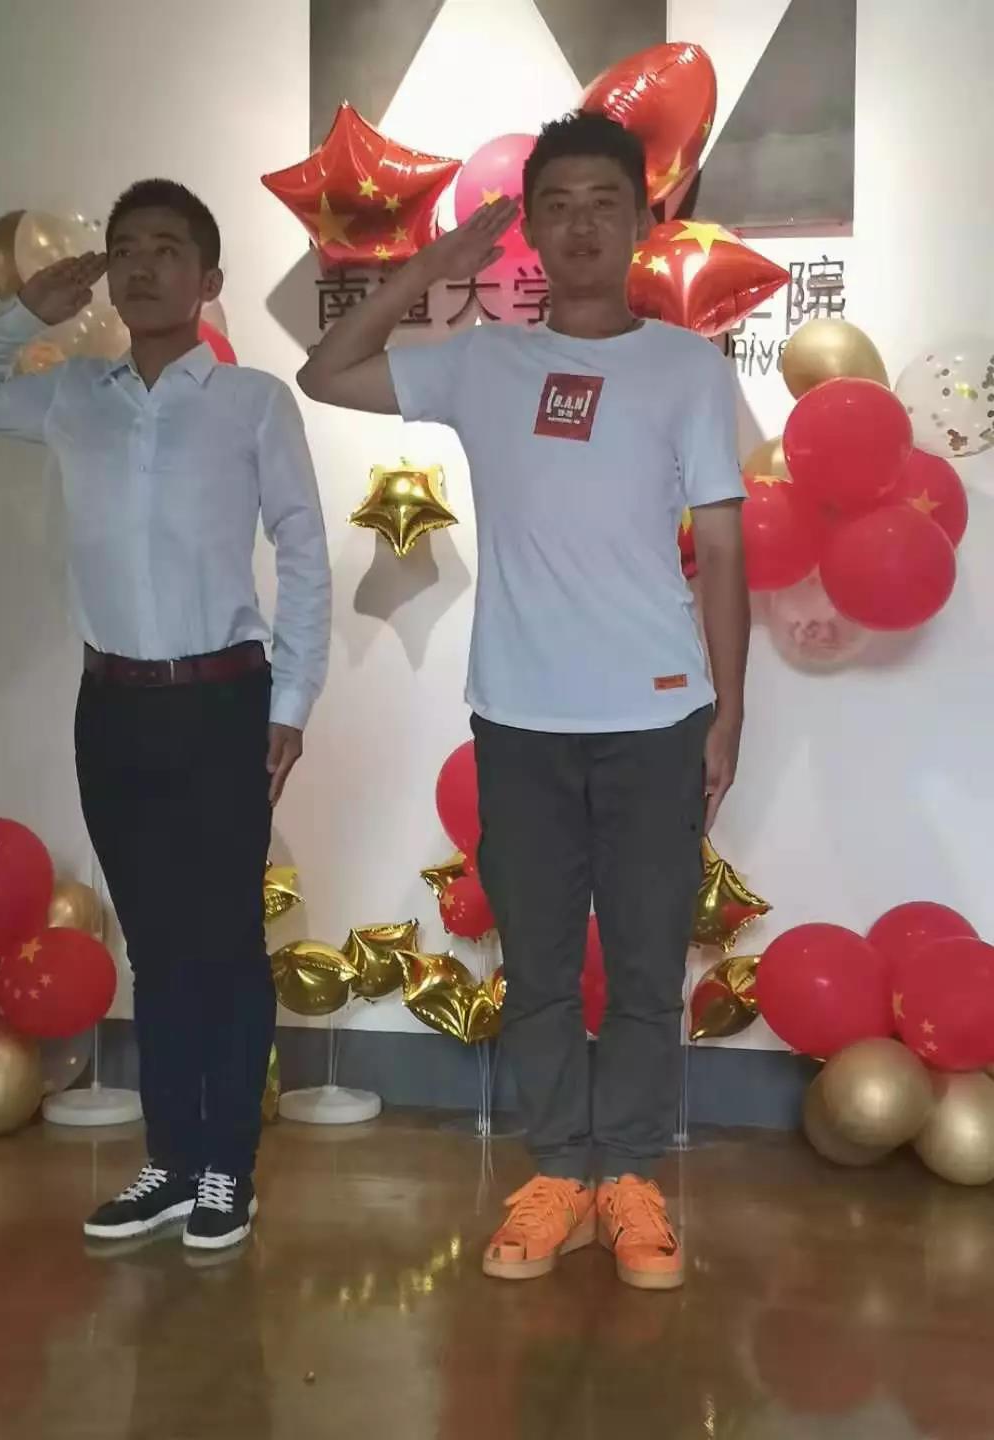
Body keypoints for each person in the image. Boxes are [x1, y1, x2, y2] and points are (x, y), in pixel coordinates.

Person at [297, 112, 748, 1289]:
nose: (582, 224)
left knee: (644, 963)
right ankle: (559, 1176)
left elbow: (723, 548)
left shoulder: (686, 368)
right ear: (530, 229)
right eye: (559, 205)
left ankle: (630, 1177)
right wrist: (433, 268)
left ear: (641, 221)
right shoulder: (483, 362)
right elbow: (324, 372)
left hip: (657, 716)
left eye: (605, 202)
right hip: (521, 718)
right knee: (540, 964)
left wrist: (730, 713)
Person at [0, 179, 331, 1251]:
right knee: (156, 945)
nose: (144, 266)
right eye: (126, 250)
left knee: (225, 941)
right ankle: (170, 1162)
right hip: (111, 706)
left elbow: (304, 551)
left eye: (167, 249)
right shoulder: (74, 395)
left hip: (225, 702)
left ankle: (227, 1169)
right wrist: (32, 307)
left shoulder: (253, 402)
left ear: (208, 279)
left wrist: (293, 700)